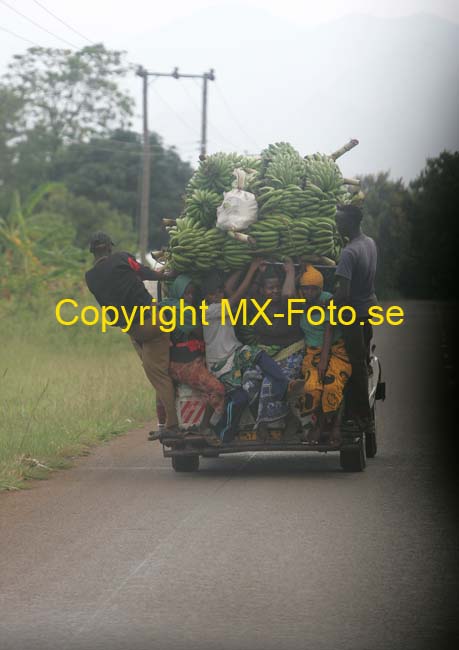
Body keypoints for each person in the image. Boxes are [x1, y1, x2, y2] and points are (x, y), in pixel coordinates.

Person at [84, 231, 179, 438]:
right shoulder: (122, 258)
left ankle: (164, 422)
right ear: (110, 247)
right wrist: (168, 274)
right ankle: (172, 425)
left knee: (152, 369)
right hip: (153, 321)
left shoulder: (90, 277)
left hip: (133, 329)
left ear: (92, 252)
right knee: (160, 375)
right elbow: (144, 273)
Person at [202, 261, 290, 442]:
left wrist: (249, 267)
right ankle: (223, 430)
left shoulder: (220, 306)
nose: (219, 295)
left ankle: (282, 382)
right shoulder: (210, 311)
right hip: (221, 365)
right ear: (206, 297)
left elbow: (228, 288)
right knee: (240, 399)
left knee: (257, 354)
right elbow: (235, 296)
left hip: (235, 354)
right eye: (213, 293)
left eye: (219, 292)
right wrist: (251, 270)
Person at [160, 274, 225, 443]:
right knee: (217, 389)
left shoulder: (165, 306)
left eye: (192, 294)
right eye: (186, 294)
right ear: (177, 293)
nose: (190, 297)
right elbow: (200, 333)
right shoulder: (184, 311)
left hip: (182, 362)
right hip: (185, 364)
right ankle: (205, 427)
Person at [291, 265, 352, 444]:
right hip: (312, 353)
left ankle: (333, 425)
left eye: (313, 288)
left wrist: (324, 360)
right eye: (305, 288)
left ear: (320, 288)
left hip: (335, 350)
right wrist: (295, 274)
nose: (309, 292)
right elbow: (289, 293)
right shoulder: (300, 302)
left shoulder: (328, 300)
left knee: (332, 385)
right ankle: (318, 424)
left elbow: (329, 331)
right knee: (312, 388)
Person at [333, 205, 378, 432]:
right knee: (362, 361)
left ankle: (362, 418)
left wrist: (325, 304)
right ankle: (362, 414)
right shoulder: (369, 243)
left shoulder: (349, 253)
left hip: (353, 314)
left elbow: (344, 294)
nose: (337, 225)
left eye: (339, 221)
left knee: (355, 364)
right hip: (368, 307)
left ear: (349, 223)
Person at [247, 259, 304, 435]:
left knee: (269, 384)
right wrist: (256, 272)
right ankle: (279, 417)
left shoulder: (290, 305)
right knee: (249, 382)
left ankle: (282, 421)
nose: (276, 291)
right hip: (266, 355)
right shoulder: (257, 306)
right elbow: (247, 294)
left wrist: (290, 272)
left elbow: (287, 295)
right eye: (270, 288)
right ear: (263, 290)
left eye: (278, 287)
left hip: (291, 352)